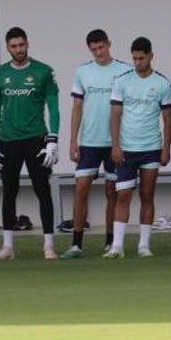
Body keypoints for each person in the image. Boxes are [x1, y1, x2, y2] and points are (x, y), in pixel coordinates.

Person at [0, 27, 60, 261]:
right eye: (13, 46)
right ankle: (7, 246)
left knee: (43, 190)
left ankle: (49, 244)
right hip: (8, 140)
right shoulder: (0, 74)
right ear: (8, 47)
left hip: (36, 138)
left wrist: (53, 139)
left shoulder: (43, 71)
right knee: (9, 192)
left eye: (21, 45)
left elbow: (54, 107)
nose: (18, 50)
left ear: (27, 43)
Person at [62, 29, 130, 259]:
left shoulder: (123, 71)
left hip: (115, 142)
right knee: (81, 188)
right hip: (89, 141)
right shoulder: (83, 72)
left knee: (113, 192)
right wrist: (73, 140)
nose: (99, 52)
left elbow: (128, 108)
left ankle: (111, 242)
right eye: (94, 49)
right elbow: (77, 108)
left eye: (102, 47)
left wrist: (123, 141)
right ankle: (76, 243)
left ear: (109, 44)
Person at [105, 38, 171, 258]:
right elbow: (115, 116)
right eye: (134, 58)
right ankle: (117, 246)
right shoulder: (122, 81)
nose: (137, 62)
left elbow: (168, 120)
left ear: (151, 56)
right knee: (123, 195)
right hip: (126, 149)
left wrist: (166, 149)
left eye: (141, 58)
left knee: (147, 194)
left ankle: (144, 245)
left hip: (151, 147)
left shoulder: (162, 83)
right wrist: (115, 145)